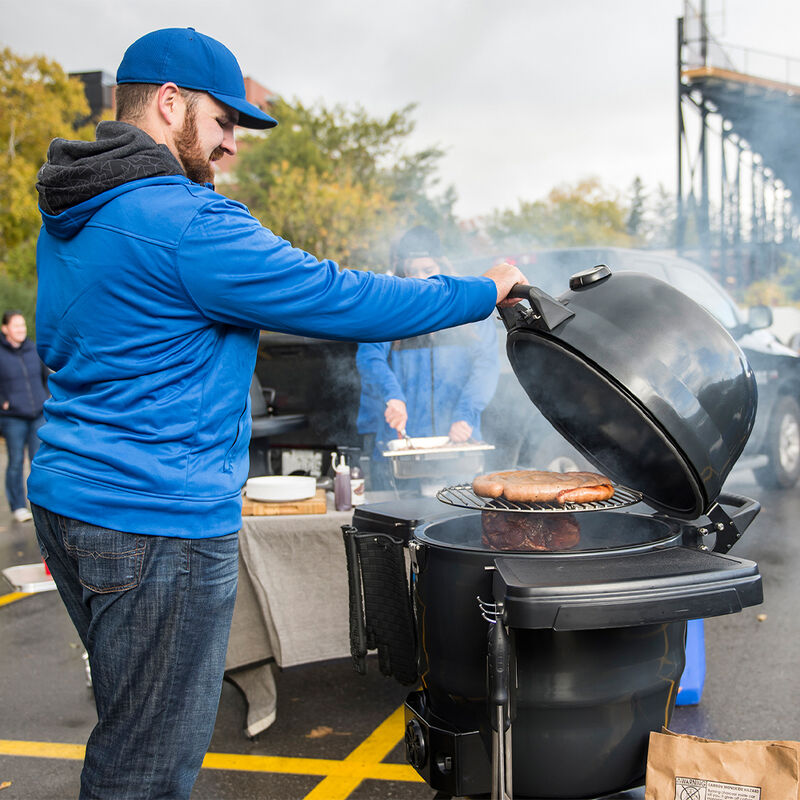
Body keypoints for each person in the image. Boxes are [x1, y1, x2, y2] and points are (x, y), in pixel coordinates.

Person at [30, 27, 527, 800]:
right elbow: (341, 295)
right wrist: (477, 292)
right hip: (158, 522)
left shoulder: (72, 212)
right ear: (169, 104)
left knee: (127, 730)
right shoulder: (188, 222)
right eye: (223, 122)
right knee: (149, 765)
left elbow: (59, 343)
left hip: (70, 502)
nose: (230, 144)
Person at [356, 226, 500, 488]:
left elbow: (487, 364)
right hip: (403, 443)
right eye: (412, 271)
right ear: (402, 271)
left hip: (457, 441)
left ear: (442, 265)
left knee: (457, 519)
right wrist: (393, 396)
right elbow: (370, 357)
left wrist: (465, 415)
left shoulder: (466, 306)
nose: (421, 279)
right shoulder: (389, 308)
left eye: (428, 270)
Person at [0, 311, 48, 522]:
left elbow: (46, 376)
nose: (21, 329)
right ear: (5, 329)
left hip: (37, 413)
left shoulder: (33, 349)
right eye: (16, 326)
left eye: (23, 325)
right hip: (13, 418)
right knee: (16, 461)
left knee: (38, 460)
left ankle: (41, 504)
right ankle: (18, 506)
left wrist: (47, 397)